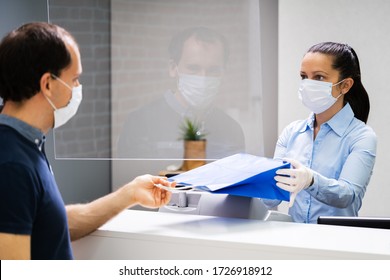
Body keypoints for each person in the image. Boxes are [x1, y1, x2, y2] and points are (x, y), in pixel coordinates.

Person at [0, 22, 175, 260]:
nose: (78, 88)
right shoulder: (11, 165)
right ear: (48, 84)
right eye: (74, 79)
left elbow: (51, 225)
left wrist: (130, 194)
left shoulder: (25, 144)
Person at [272, 42, 377, 223]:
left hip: (336, 243)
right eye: (304, 76)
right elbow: (272, 194)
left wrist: (311, 180)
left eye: (319, 77)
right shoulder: (291, 132)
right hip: (293, 240)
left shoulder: (361, 136)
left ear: (345, 85)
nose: (308, 84)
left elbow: (347, 195)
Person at [117, 26, 245, 161]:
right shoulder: (140, 123)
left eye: (213, 70)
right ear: (173, 68)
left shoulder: (231, 130)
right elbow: (132, 179)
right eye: (193, 68)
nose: (203, 78)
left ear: (224, 72)